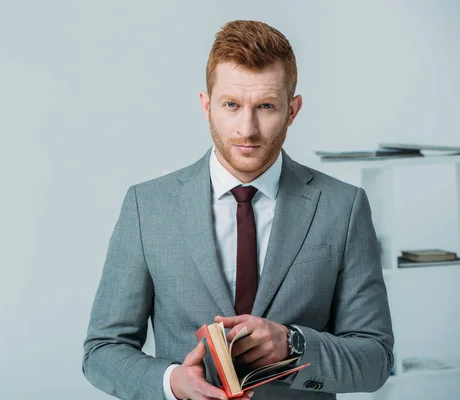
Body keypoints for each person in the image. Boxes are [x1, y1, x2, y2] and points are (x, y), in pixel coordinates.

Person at [82, 19, 394, 400]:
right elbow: (102, 351)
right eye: (231, 105)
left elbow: (375, 360)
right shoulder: (146, 207)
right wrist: (172, 382)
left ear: (293, 110)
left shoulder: (344, 207)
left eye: (266, 106)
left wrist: (294, 345)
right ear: (206, 105)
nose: (247, 129)